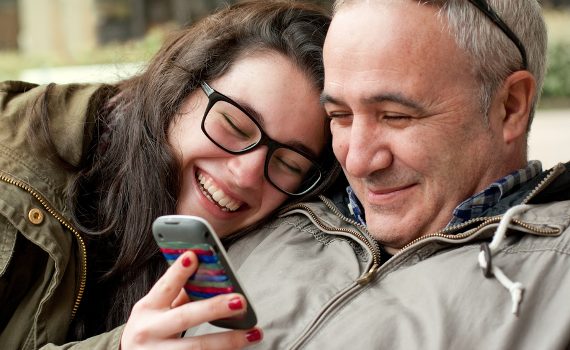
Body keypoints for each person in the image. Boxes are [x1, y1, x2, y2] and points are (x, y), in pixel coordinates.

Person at [190, 0, 570, 348]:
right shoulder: (279, 200)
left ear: (510, 106)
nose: (356, 162)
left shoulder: (557, 276)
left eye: (395, 116)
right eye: (339, 116)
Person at [0, 1, 339, 348]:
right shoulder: (12, 170)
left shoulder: (272, 244)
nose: (247, 174)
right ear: (179, 87)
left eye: (289, 164)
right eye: (234, 125)